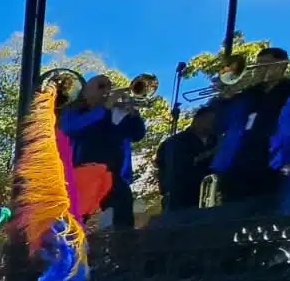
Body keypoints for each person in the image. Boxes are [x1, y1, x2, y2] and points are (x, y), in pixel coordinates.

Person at [211, 47, 290, 210]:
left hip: (274, 159)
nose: (261, 69)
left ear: (283, 66)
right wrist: (225, 98)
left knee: (266, 210)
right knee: (233, 210)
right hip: (239, 161)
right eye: (258, 65)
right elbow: (222, 124)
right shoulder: (248, 94)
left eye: (267, 64)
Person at [59, 75, 147, 229]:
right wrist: (105, 108)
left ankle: (120, 248)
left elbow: (137, 135)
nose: (107, 90)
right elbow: (70, 128)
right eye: (101, 86)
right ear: (85, 92)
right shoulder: (73, 111)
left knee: (122, 218)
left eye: (108, 86)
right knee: (74, 224)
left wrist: (134, 114)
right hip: (84, 174)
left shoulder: (116, 112)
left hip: (114, 175)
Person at [155, 106, 218, 213]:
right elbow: (177, 166)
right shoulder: (174, 142)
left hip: (213, 197)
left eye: (213, 121)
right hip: (181, 201)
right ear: (197, 119)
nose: (210, 125)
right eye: (207, 120)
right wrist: (211, 153)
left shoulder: (216, 140)